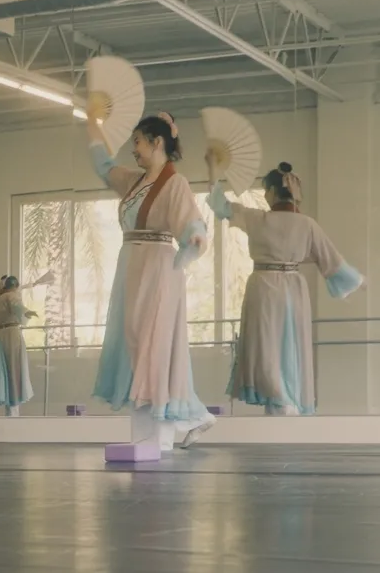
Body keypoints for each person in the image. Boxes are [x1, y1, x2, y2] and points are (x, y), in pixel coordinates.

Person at [87, 108, 214, 450]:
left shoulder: (175, 183)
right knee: (136, 346)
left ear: (157, 142)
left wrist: (196, 236)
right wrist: (93, 123)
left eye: (139, 142)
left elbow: (190, 219)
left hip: (158, 268)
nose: (134, 149)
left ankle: (158, 436)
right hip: (132, 267)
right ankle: (186, 419)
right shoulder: (134, 182)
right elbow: (103, 166)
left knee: (152, 347)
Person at [209, 160, 363, 416]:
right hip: (292, 287)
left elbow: (220, 206)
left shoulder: (256, 218)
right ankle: (286, 398)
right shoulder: (306, 224)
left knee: (266, 346)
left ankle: (278, 397)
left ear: (270, 191)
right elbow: (332, 261)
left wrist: (213, 173)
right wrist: (358, 281)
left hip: (263, 286)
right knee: (290, 345)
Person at [0, 274, 38, 416]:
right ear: (15, 286)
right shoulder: (11, 296)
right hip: (11, 335)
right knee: (14, 373)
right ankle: (13, 412)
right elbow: (18, 308)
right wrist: (28, 312)